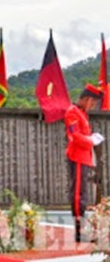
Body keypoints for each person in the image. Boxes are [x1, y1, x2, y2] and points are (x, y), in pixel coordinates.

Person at [64, 83, 105, 242]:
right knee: (77, 194)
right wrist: (90, 141)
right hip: (77, 157)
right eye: (92, 102)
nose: (92, 106)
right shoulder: (72, 112)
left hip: (84, 157)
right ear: (87, 99)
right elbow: (75, 136)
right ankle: (78, 228)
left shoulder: (81, 113)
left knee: (82, 193)